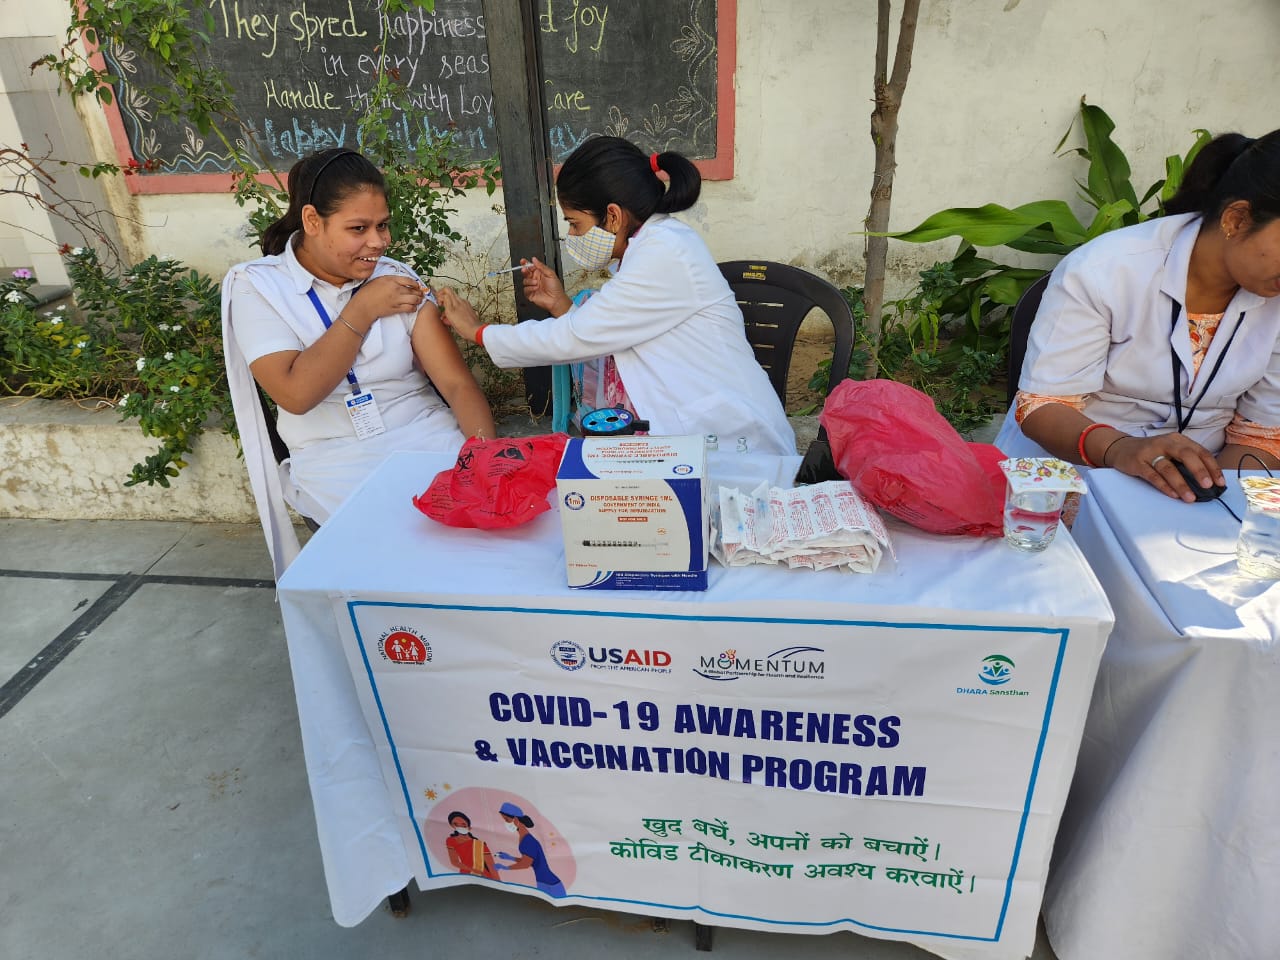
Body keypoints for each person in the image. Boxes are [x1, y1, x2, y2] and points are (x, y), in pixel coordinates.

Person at [221, 148, 494, 575]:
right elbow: (295, 394)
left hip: (425, 437)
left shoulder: (394, 276)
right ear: (312, 221)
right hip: (334, 458)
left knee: (480, 545)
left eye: (382, 225)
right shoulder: (256, 287)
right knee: (400, 554)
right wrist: (362, 310)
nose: (379, 241)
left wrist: (482, 461)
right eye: (358, 228)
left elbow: (457, 385)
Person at [436, 136, 795, 455]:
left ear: (612, 216)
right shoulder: (650, 247)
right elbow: (612, 331)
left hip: (735, 446)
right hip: (690, 432)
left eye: (574, 223)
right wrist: (562, 306)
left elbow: (579, 337)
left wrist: (478, 331)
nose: (572, 236)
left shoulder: (665, 253)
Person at [996, 129, 1280, 502]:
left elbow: (1260, 435)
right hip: (1074, 469)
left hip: (1207, 484)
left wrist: (1206, 499)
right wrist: (1121, 449)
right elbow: (1044, 406)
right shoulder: (1106, 270)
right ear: (1237, 220)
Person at [494, 801, 565, 897]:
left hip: (551, 885)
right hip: (544, 882)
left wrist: (505, 867)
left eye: (506, 820)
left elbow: (525, 864)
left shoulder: (528, 841)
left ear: (516, 820)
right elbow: (530, 861)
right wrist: (510, 857)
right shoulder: (525, 838)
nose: (505, 823)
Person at [444, 810, 499, 880]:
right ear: (452, 825)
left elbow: (491, 865)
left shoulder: (480, 844)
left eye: (463, 824)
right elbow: (455, 862)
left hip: (485, 876)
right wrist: (473, 870)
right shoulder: (451, 840)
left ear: (468, 826)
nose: (460, 826)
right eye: (456, 824)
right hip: (467, 875)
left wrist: (499, 883)